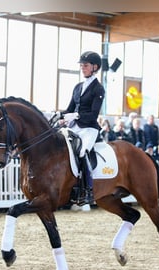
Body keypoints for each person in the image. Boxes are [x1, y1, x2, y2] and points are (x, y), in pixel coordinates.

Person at [60, 51, 105, 205]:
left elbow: (93, 115)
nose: (82, 68)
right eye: (81, 65)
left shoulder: (98, 89)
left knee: (82, 151)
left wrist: (76, 116)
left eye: (85, 65)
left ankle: (87, 190)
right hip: (74, 126)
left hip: (89, 128)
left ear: (95, 67)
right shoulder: (78, 87)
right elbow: (69, 109)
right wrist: (59, 116)